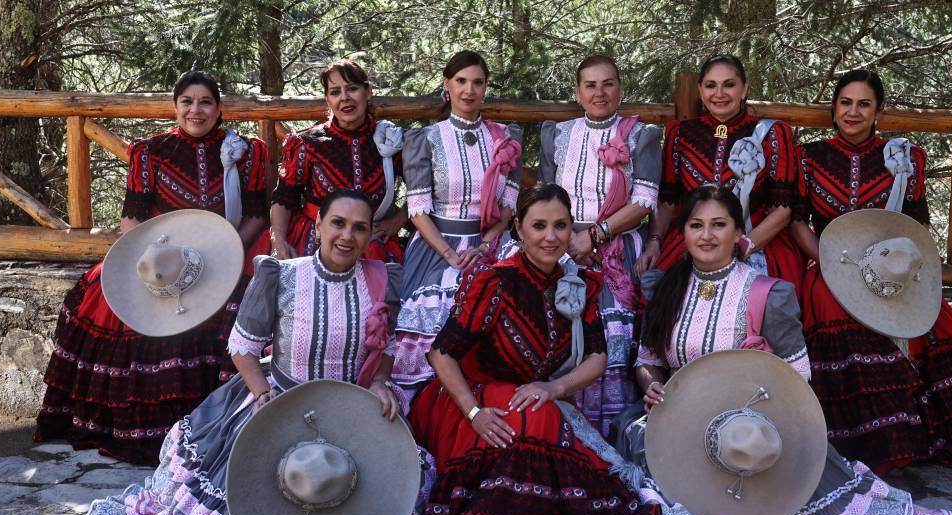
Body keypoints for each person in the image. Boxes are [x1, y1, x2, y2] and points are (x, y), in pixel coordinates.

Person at [48, 189, 436, 515]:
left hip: (349, 412)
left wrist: (378, 381)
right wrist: (263, 395)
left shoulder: (382, 278)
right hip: (280, 402)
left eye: (359, 228)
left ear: (370, 234)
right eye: (337, 223)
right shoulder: (283, 276)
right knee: (243, 513)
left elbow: (387, 343)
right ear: (318, 225)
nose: (347, 236)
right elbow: (242, 346)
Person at [626, 185, 952, 515]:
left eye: (718, 225)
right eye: (696, 225)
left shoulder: (767, 293)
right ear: (685, 231)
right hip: (677, 426)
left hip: (750, 430)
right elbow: (646, 358)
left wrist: (743, 400)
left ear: (738, 232)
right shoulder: (666, 290)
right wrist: (651, 384)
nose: (707, 236)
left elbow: (797, 376)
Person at [409, 183, 669, 515]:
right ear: (518, 229)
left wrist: (555, 386)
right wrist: (474, 413)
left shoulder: (582, 284)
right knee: (537, 419)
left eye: (561, 226)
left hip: (536, 396)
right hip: (466, 398)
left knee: (544, 416)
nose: (551, 236)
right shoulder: (494, 282)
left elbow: (598, 358)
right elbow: (441, 355)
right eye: (539, 226)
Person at [35, 70, 268, 465]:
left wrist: (224, 256)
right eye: (187, 102)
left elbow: (257, 215)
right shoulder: (151, 152)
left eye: (205, 102)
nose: (196, 110)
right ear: (174, 107)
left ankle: (221, 425)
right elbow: (133, 220)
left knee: (236, 306)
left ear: (219, 109)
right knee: (102, 302)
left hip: (227, 257)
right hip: (164, 258)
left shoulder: (247, 152)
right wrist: (159, 264)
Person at [790, 69, 952, 473]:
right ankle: (862, 435)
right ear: (834, 108)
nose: (853, 112)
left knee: (929, 317)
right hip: (830, 262)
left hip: (891, 267)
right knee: (827, 300)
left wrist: (887, 266)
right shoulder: (810, 156)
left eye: (864, 104)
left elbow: (916, 226)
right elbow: (798, 223)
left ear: (879, 110)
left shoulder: (905, 158)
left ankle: (911, 428)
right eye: (845, 103)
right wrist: (826, 262)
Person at [533, 54, 661, 437]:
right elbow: (545, 195)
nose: (599, 92)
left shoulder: (641, 135)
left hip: (617, 246)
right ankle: (559, 428)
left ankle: (611, 432)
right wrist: (567, 239)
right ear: (577, 91)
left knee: (612, 335)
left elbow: (643, 201)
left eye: (607, 84)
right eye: (590, 85)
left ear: (620, 89)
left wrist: (594, 235)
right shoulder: (558, 134)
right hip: (559, 245)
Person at [391, 50, 522, 407]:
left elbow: (508, 207)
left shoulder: (506, 138)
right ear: (447, 85)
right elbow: (418, 212)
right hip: (437, 246)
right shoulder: (425, 140)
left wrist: (484, 246)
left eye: (477, 82)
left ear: (485, 88)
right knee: (434, 316)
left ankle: (489, 404)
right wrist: (450, 254)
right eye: (461, 81)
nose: (469, 90)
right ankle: (426, 410)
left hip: (491, 242)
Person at [640, 54, 803, 291]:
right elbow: (667, 202)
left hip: (756, 240)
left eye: (729, 84)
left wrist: (745, 246)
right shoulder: (681, 134)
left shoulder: (772, 134)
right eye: (710, 85)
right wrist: (654, 242)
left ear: (744, 88)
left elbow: (782, 209)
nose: (719, 94)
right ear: (700, 90)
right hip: (692, 240)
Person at [247, 59, 407, 269]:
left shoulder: (390, 141)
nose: (345, 98)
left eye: (352, 89)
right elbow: (284, 198)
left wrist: (396, 222)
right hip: (312, 241)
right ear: (327, 99)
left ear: (368, 92)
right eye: (335, 92)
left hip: (372, 242)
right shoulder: (308, 143)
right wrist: (278, 240)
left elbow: (421, 191)